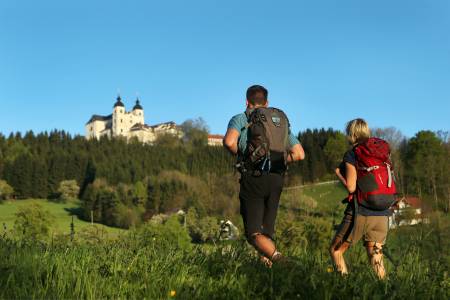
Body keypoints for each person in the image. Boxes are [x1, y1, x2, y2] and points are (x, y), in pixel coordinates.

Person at [223, 85, 305, 265]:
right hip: (276, 178)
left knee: (253, 234)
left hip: (254, 178)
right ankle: (268, 279)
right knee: (266, 232)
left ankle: (284, 262)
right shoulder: (278, 122)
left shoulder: (241, 118)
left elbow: (229, 142)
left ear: (246, 101)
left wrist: (246, 158)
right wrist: (279, 160)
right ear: (267, 103)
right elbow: (299, 154)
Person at [329, 118, 396, 279]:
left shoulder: (353, 153)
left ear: (351, 134)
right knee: (376, 257)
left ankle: (344, 287)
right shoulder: (381, 152)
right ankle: (385, 291)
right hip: (383, 211)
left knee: (336, 250)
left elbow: (351, 187)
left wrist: (339, 174)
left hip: (361, 212)